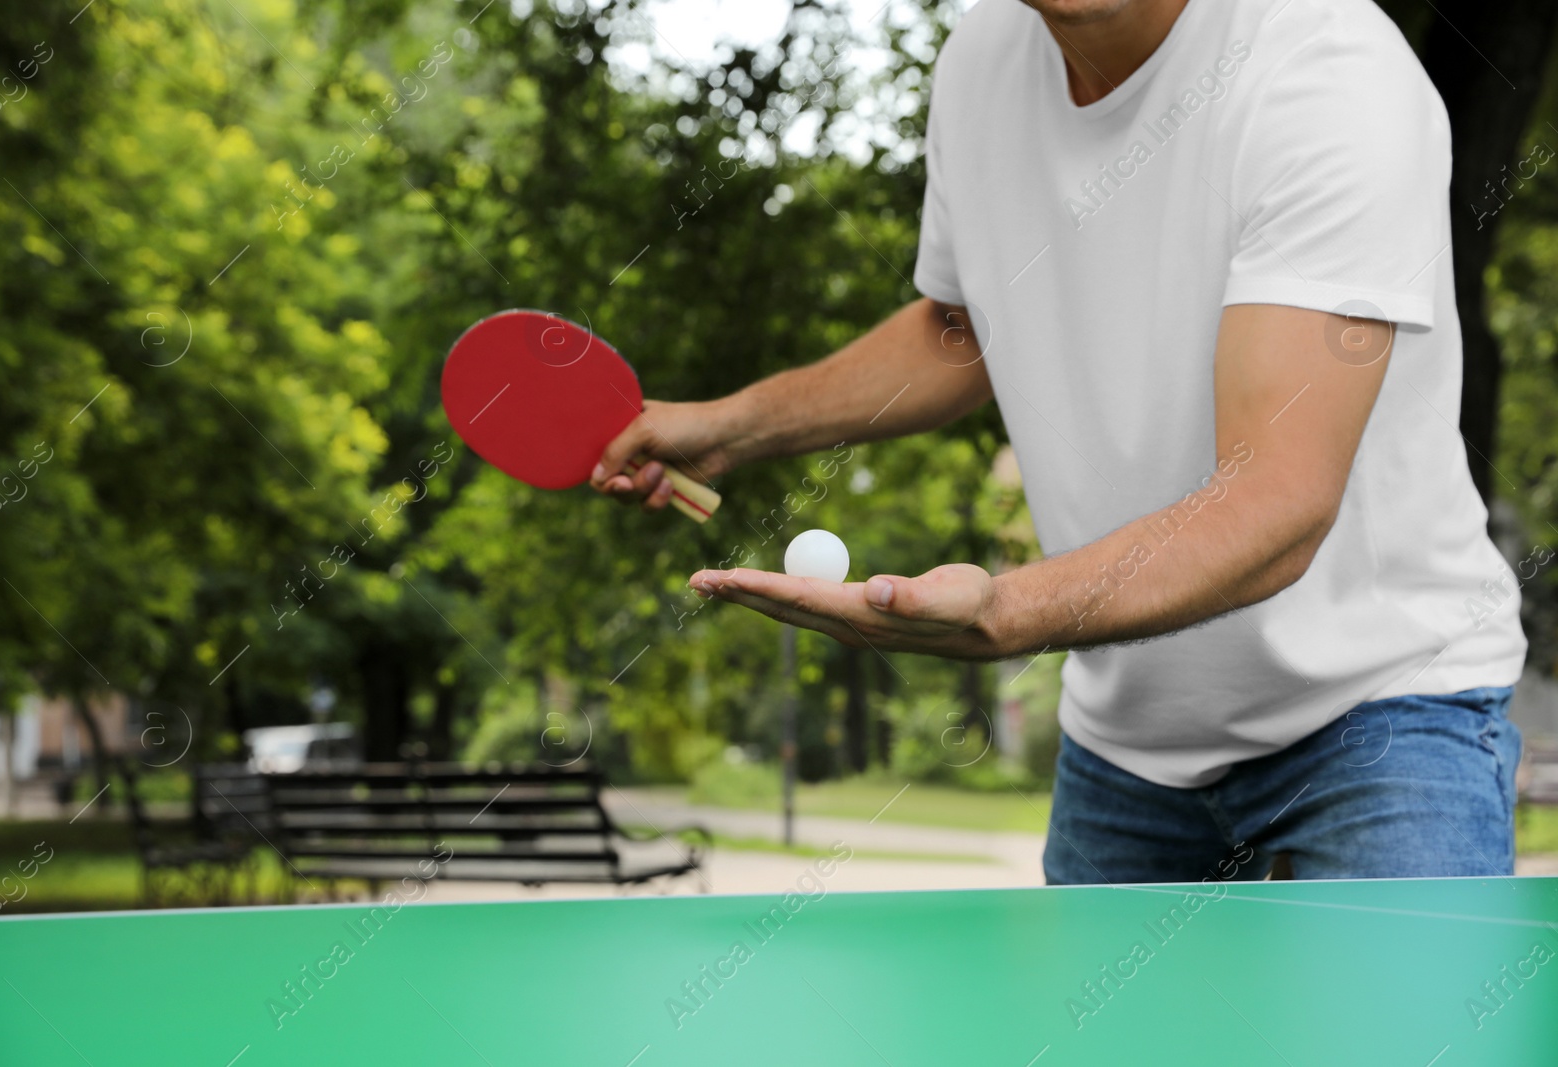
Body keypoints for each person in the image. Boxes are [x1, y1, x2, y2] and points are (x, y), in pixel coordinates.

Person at [591, 0, 1527, 884]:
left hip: (1384, 716)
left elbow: (1276, 501)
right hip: (1127, 745)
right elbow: (963, 331)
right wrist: (727, 427)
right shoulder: (981, 63)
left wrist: (1005, 611)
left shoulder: (1329, 75)